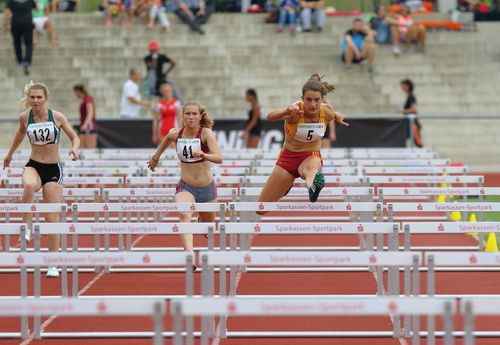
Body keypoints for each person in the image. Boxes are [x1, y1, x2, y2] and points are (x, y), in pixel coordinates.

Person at [2, 82, 80, 278]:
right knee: (28, 184)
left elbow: (75, 137)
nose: (35, 101)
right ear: (28, 99)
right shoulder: (25, 118)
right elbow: (19, 135)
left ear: (46, 98)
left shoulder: (57, 117)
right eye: (32, 97)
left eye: (39, 97)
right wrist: (9, 155)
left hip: (54, 169)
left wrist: (75, 149)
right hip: (34, 165)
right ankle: (26, 229)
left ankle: (53, 263)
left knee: (51, 217)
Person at [257, 74, 348, 211]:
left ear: (322, 100)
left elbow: (331, 113)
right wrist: (286, 110)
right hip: (288, 158)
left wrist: (336, 115)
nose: (312, 104)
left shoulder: (326, 112)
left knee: (311, 170)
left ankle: (313, 186)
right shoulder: (295, 111)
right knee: (261, 209)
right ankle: (287, 185)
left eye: (317, 100)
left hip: (311, 155)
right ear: (302, 99)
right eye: (308, 100)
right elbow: (270, 116)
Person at [147, 101, 222, 255]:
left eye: (194, 114)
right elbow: (167, 139)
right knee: (183, 214)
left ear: (200, 116)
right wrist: (155, 157)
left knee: (208, 228)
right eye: (187, 113)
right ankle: (189, 253)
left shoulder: (206, 133)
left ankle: (201, 220)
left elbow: (219, 158)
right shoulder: (176, 134)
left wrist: (204, 154)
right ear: (182, 116)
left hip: (207, 187)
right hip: (186, 186)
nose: (191, 117)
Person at [3, 0, 36, 75]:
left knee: (17, 43)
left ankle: (20, 60)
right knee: (29, 43)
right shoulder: (30, 1)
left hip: (16, 23)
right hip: (27, 23)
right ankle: (27, 60)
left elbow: (7, 12)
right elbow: (36, 10)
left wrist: (5, 25)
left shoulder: (12, 1)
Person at [73, 84, 97, 149]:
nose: (75, 94)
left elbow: (90, 112)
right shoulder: (84, 100)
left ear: (78, 91)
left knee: (90, 150)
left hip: (89, 128)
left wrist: (85, 124)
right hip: (84, 127)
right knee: (81, 149)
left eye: (75, 92)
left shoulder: (87, 99)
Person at [400, 79, 422, 147]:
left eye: (403, 86)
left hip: (413, 123)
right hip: (409, 123)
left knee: (418, 143)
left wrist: (402, 111)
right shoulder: (409, 96)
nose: (402, 88)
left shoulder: (411, 96)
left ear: (408, 86)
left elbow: (414, 109)